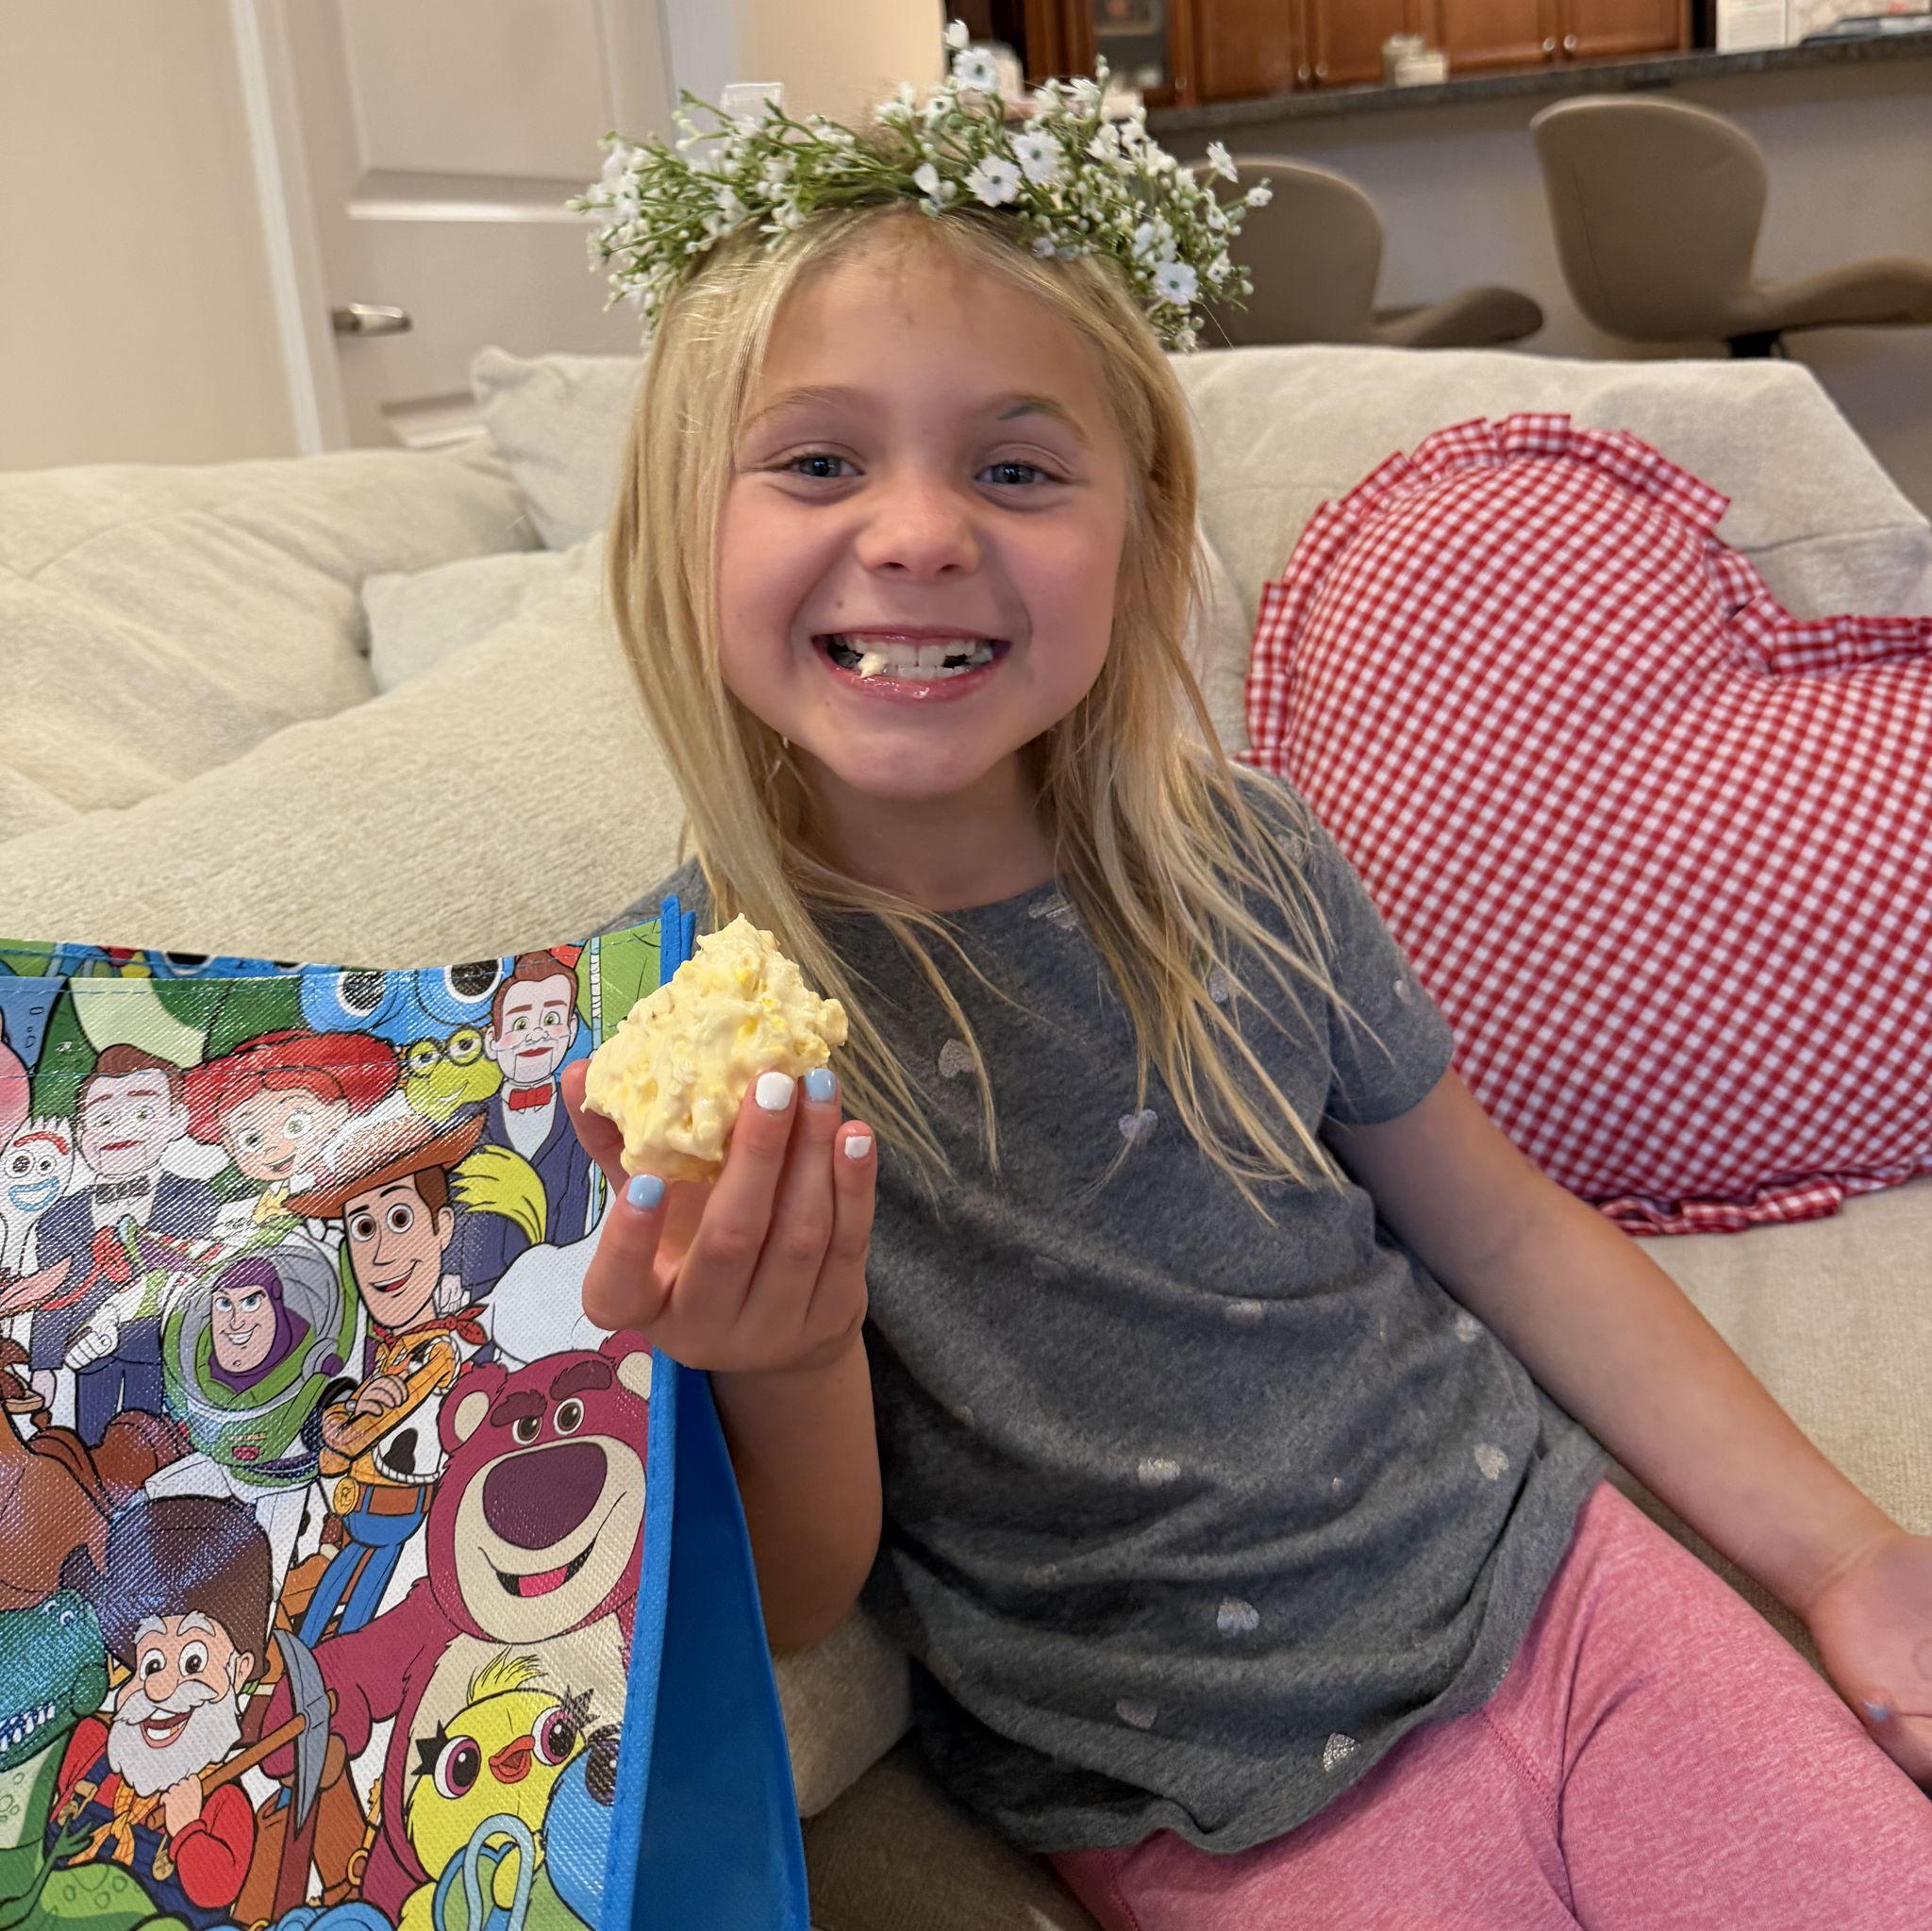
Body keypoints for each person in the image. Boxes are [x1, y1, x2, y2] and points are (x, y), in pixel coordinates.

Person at [558, 33, 1932, 1926]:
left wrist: (1847, 1555)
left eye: (1016, 467)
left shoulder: (1249, 861)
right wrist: (783, 1358)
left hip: (1559, 1589)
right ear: (671, 533)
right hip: (1195, 1793)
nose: (923, 531)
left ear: (1133, 537)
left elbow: (1508, 1233)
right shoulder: (669, 1031)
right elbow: (797, 1599)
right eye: (815, 461)